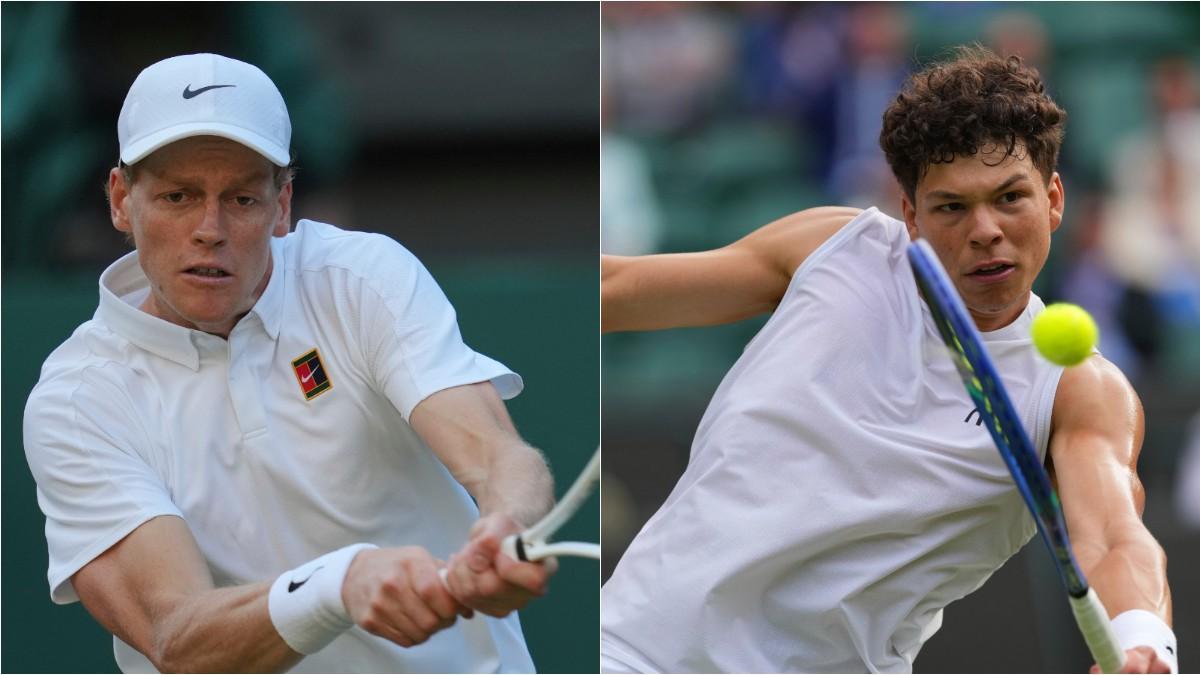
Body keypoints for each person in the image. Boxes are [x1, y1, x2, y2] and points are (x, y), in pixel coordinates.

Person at [600, 46, 1176, 674]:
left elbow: (1116, 535)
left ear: (1055, 199)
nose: (985, 229)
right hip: (632, 651)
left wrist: (1144, 640)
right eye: (952, 207)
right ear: (912, 216)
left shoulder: (1077, 390)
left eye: (1010, 197)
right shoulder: (832, 249)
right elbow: (612, 291)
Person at [23, 53, 557, 673]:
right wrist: (339, 585)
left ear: (282, 206)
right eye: (177, 196)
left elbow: (498, 456)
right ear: (121, 200)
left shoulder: (361, 278)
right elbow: (176, 634)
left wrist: (508, 528)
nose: (209, 229)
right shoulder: (76, 400)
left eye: (242, 199)